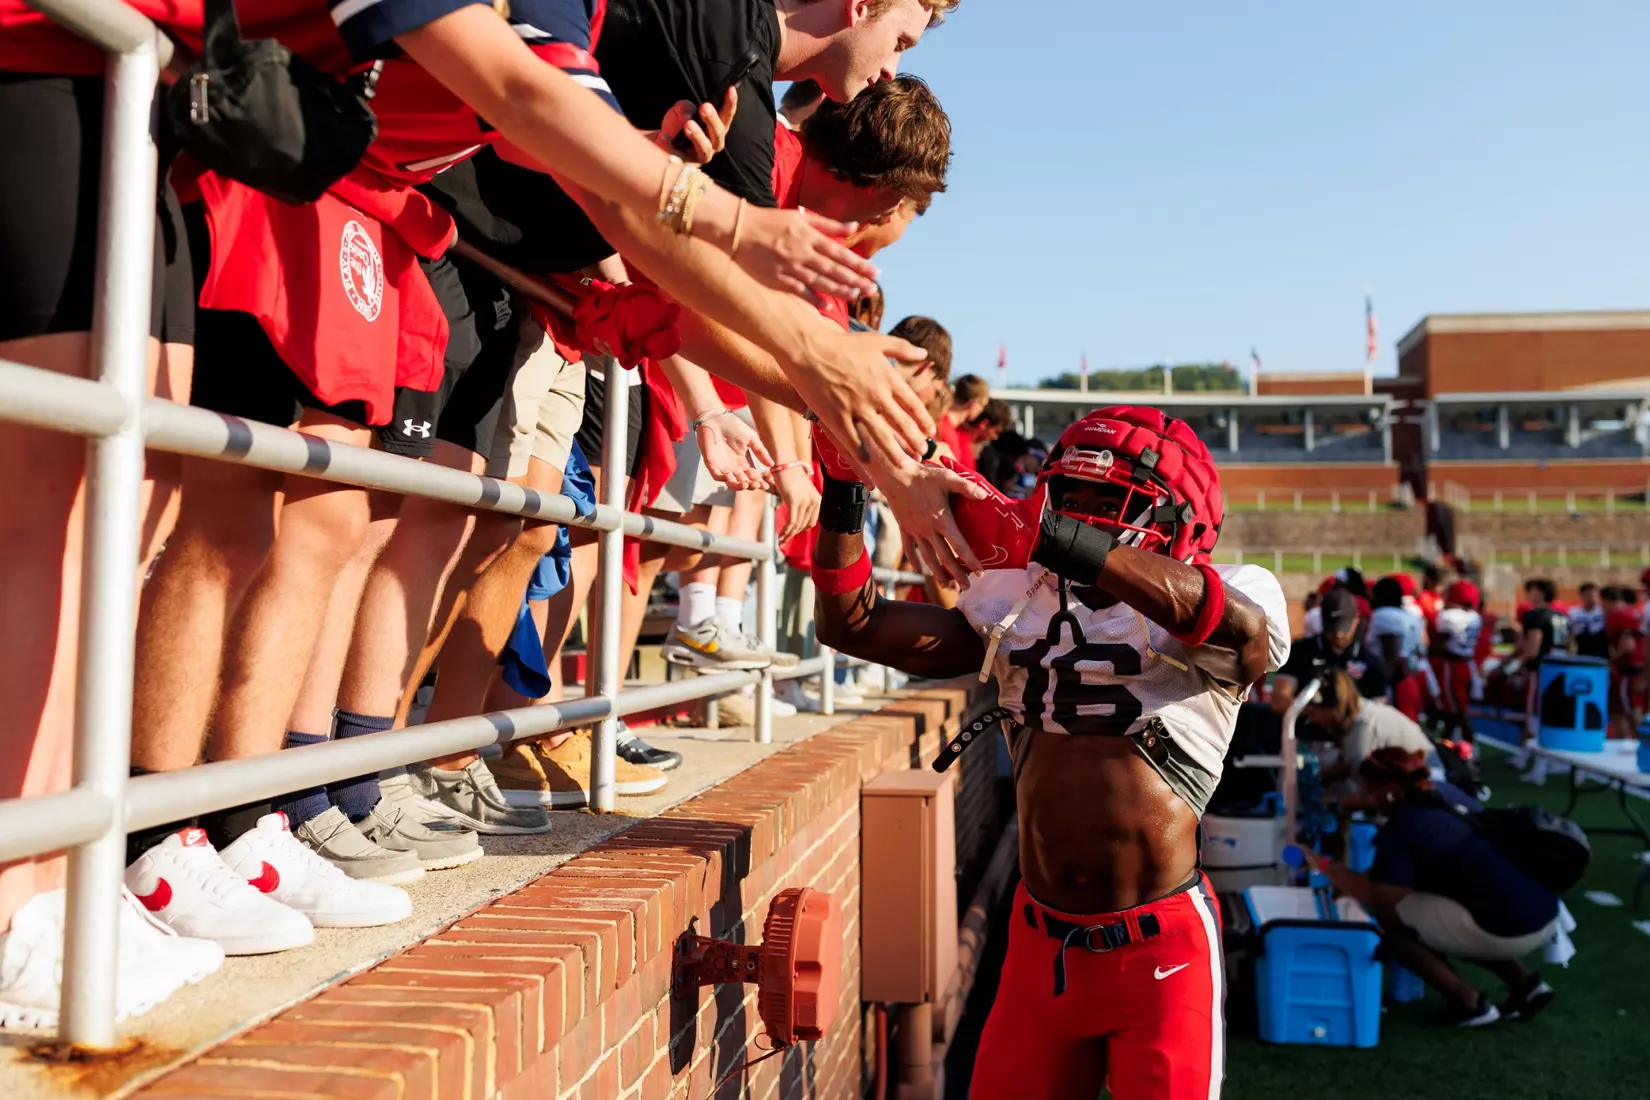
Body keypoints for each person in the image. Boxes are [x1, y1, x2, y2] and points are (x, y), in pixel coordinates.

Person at [812, 405, 1290, 1099]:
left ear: (1176, 516)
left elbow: (1240, 635)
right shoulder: (1019, 601)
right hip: (1040, 946)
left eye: (1112, 502)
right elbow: (852, 625)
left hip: (1160, 951)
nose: (1087, 517)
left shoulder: (1230, 597)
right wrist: (843, 494)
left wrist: (1047, 533)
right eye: (1071, 498)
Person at [1303, 749, 1559, 1028]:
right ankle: (1526, 984)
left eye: (1370, 791)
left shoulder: (1404, 824)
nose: (1368, 800)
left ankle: (1468, 1003)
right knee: (1456, 916)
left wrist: (1322, 863)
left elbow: (1376, 895)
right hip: (1542, 911)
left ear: (1391, 789)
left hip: (1507, 928)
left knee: (1392, 921)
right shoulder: (1446, 794)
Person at [1271, 587, 1390, 716]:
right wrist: (1316, 713)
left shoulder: (1370, 662)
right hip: (1307, 732)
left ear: (1355, 620)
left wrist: (1347, 716)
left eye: (1343, 627)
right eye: (1332, 628)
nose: (1338, 634)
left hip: (1354, 731)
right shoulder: (1301, 652)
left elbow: (1380, 711)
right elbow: (1279, 701)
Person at [1367, 575, 1430, 721]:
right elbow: (1423, 645)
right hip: (1411, 677)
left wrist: (1381, 686)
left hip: (1394, 681)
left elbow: (1391, 655)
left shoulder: (1384, 616)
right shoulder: (1410, 614)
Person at [1515, 578, 1569, 746]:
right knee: (1555, 711)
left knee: (1534, 712)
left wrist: (1512, 667)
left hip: (1540, 670)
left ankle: (1533, 755)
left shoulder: (1535, 616)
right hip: (1560, 669)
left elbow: (1532, 649)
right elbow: (1567, 644)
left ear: (1539, 593)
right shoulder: (1561, 616)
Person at [1430, 579, 1484, 744]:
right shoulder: (1474, 617)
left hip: (1453, 666)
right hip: (1468, 665)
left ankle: (1470, 748)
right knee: (1454, 709)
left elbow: (1437, 644)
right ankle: (1446, 742)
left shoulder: (1449, 617)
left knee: (1458, 710)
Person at [1568, 582, 1608, 659]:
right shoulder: (1573, 612)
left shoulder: (1603, 612)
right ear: (1581, 595)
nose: (1591, 597)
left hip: (1598, 643)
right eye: (1587, 594)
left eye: (1593, 594)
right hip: (1580, 643)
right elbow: (1570, 632)